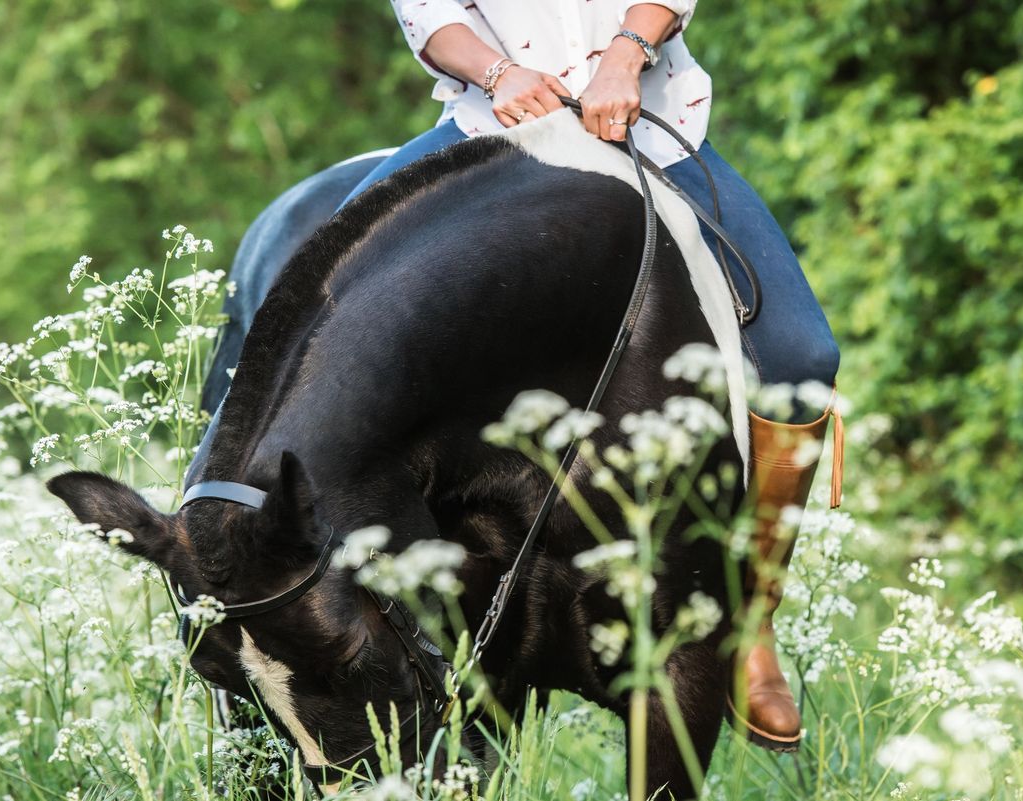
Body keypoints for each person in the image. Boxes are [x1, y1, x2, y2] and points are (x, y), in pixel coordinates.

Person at [360, 1, 844, 753]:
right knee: (313, 301)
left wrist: (626, 53)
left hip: (653, 128)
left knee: (801, 362)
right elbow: (429, 13)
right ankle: (316, 609)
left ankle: (749, 615)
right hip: (487, 130)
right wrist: (498, 73)